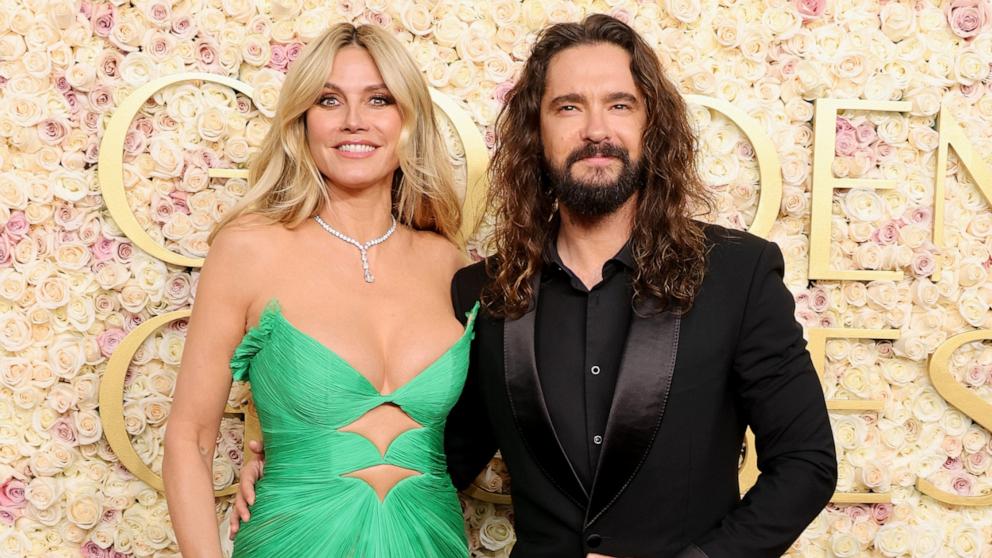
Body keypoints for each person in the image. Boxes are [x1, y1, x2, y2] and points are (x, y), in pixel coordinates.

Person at [235, 14, 837, 558]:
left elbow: (806, 463)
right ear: (535, 131)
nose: (595, 129)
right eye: (569, 107)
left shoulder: (737, 272)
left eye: (620, 105)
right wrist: (300, 457)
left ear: (652, 126)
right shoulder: (481, 292)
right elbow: (440, 452)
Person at [163, 23, 474, 558]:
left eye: (379, 99)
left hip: (433, 542)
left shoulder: (447, 263)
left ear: (409, 121)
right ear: (302, 121)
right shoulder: (248, 249)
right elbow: (189, 440)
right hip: (292, 540)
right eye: (330, 100)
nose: (355, 121)